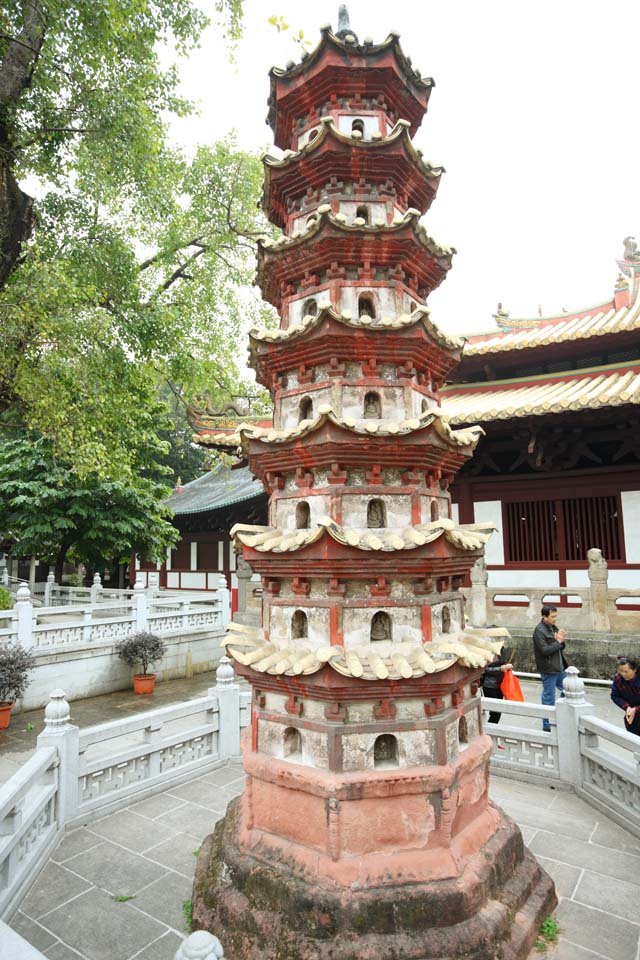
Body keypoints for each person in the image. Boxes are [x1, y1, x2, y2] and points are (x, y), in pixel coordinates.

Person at [532, 604, 568, 732]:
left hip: (560, 666)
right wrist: (558, 642)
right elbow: (545, 651)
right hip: (548, 668)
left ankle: (561, 714)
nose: (555, 619)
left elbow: (560, 647)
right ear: (544, 616)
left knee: (569, 689)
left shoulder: (553, 627)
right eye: (552, 617)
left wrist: (561, 640)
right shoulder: (539, 631)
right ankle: (547, 724)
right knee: (549, 696)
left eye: (556, 616)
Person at [480, 644, 514, 724]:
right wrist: (500, 669)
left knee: (498, 710)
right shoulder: (486, 652)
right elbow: (483, 669)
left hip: (500, 684)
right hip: (489, 685)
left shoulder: (501, 650)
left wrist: (506, 667)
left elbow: (502, 664)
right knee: (495, 712)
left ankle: (490, 731)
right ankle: (489, 732)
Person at [610, 656, 640, 736]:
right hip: (632, 716)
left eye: (626, 671)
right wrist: (627, 707)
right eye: (621, 671)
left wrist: (636, 709)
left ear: (635, 670)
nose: (623, 674)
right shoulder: (618, 678)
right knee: (633, 740)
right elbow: (615, 695)